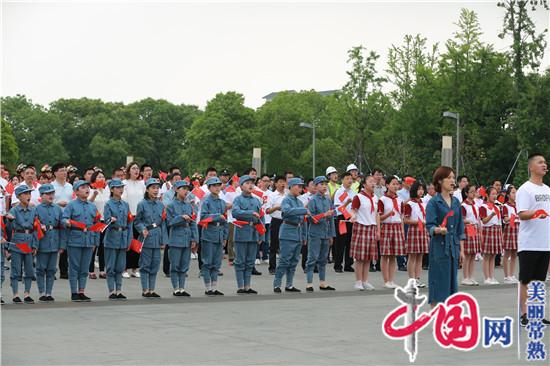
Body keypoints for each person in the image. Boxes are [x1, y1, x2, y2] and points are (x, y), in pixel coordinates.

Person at [516, 153, 550, 326]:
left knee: (539, 280)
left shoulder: (547, 190)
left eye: (545, 162)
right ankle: (524, 313)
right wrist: (537, 213)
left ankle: (537, 312)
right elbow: (522, 214)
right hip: (529, 243)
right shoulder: (525, 189)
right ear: (531, 167)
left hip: (545, 243)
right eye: (540, 162)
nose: (544, 165)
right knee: (526, 280)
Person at [426, 166, 465, 306]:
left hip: (453, 247)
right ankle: (437, 318)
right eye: (449, 178)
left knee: (451, 284)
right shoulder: (433, 202)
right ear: (440, 181)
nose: (452, 180)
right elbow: (429, 225)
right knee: (438, 283)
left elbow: (460, 227)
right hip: (439, 247)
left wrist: (461, 250)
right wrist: (437, 229)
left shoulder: (455, 202)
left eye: (453, 177)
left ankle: (448, 320)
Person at [63, 180, 100, 302]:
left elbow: (96, 225)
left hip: (88, 239)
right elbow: (64, 218)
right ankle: (74, 292)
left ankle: (82, 291)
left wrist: (95, 241)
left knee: (84, 268)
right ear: (76, 192)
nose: (86, 189)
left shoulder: (92, 206)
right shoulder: (71, 205)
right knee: (74, 267)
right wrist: (66, 222)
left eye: (87, 187)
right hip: (75, 239)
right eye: (83, 187)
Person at [134, 178, 168, 298]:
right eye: (153, 188)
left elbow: (163, 223)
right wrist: (142, 228)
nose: (156, 190)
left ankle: (152, 290)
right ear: (147, 189)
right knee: (145, 265)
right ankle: (145, 290)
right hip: (146, 237)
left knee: (155, 265)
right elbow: (137, 221)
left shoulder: (160, 204)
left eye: (157, 188)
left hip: (157, 238)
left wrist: (164, 240)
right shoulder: (142, 204)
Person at [273, 177, 307, 293]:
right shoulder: (286, 200)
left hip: (297, 232)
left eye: (302, 187)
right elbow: (287, 211)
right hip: (287, 232)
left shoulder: (299, 202)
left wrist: (303, 236)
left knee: (294, 261)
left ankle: (289, 284)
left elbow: (302, 221)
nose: (300, 189)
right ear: (291, 187)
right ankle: (277, 284)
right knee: (284, 260)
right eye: (298, 186)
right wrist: (303, 210)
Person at [166, 180, 198, 297]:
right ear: (176, 190)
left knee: (184, 265)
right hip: (175, 238)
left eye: (187, 189)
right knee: (175, 264)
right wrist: (181, 218)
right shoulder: (171, 205)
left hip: (187, 238)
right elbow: (169, 222)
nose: (186, 191)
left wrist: (194, 238)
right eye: (183, 188)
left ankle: (182, 288)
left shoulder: (188, 205)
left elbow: (193, 223)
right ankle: (176, 288)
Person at [6, 185, 37, 304]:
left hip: (29, 241)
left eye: (29, 193)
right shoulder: (13, 210)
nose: (28, 196)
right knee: (16, 269)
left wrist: (35, 245)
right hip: (17, 241)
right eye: (25, 194)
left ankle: (27, 293)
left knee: (29, 269)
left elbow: (36, 228)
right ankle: (15, 294)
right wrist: (9, 220)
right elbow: (9, 229)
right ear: (19, 196)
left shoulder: (33, 210)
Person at [233, 175, 264, 294]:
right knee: (240, 261)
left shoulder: (256, 200)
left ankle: (247, 286)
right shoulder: (238, 199)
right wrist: (250, 212)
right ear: (241, 186)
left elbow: (260, 218)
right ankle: (240, 286)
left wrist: (261, 235)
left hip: (253, 233)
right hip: (242, 232)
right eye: (247, 183)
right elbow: (236, 212)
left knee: (250, 261)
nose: (250, 185)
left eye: (252, 183)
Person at [102, 179, 133, 300]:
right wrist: (110, 220)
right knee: (111, 266)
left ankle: (119, 290)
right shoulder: (108, 204)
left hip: (123, 236)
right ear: (111, 189)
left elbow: (129, 222)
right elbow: (105, 221)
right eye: (117, 187)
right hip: (112, 236)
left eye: (121, 187)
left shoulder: (125, 204)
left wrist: (129, 238)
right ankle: (111, 291)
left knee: (120, 266)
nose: (120, 189)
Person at [305, 176, 336, 292]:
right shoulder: (312, 200)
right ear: (316, 186)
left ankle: (322, 283)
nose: (324, 186)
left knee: (323, 259)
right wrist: (324, 215)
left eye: (325, 184)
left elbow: (332, 218)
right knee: (312, 258)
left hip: (326, 233)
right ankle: (309, 283)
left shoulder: (328, 200)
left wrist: (332, 235)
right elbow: (311, 218)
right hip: (315, 233)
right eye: (321, 184)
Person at [35, 184, 65, 302]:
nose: (51, 196)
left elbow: (62, 228)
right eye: (48, 194)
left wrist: (62, 245)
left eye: (52, 193)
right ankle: (42, 292)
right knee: (41, 268)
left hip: (54, 241)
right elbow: (34, 229)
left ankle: (49, 292)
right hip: (42, 242)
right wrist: (35, 245)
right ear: (41, 195)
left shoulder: (57, 209)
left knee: (52, 269)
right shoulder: (37, 209)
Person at [350, 175, 379, 291]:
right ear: (364, 184)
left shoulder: (375, 198)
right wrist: (353, 216)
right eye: (370, 181)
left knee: (368, 257)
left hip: (372, 227)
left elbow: (377, 214)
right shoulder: (359, 197)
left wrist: (377, 229)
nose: (373, 184)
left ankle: (365, 280)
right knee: (360, 257)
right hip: (361, 226)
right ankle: (358, 281)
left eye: (374, 182)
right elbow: (353, 209)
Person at [199, 177, 227, 296]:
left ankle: (214, 288)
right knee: (207, 262)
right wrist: (217, 216)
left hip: (219, 234)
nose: (217, 187)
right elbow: (203, 218)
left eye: (218, 185)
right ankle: (208, 288)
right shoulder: (206, 201)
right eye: (214, 185)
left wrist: (225, 236)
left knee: (217, 263)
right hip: (209, 234)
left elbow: (225, 220)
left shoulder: (222, 202)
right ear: (209, 188)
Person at [378, 176, 406, 289]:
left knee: (394, 255)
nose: (395, 186)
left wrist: (403, 231)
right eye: (393, 184)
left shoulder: (400, 200)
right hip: (387, 227)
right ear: (387, 185)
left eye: (397, 184)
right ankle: (386, 281)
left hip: (397, 227)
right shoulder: (382, 200)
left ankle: (391, 280)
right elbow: (379, 217)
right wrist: (388, 214)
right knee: (385, 255)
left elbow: (402, 217)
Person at [122, 161, 145, 279]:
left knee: (137, 242)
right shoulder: (124, 183)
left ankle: (135, 268)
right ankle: (124, 268)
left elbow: (145, 198)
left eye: (137, 168)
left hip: (139, 217)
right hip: (128, 216)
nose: (136, 170)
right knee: (128, 242)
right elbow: (123, 199)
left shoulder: (142, 183)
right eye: (133, 168)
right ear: (128, 170)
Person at [403, 181, 429, 288]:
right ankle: (411, 279)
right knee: (412, 256)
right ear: (414, 190)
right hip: (414, 230)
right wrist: (419, 222)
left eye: (422, 189)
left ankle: (417, 278)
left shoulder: (423, 203)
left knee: (420, 256)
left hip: (423, 230)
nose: (421, 191)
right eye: (419, 189)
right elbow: (406, 220)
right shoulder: (410, 204)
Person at [479, 186, 503, 285]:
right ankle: (486, 277)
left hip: (496, 230)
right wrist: (492, 214)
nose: (494, 196)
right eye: (492, 194)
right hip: (488, 230)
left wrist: (500, 234)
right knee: (487, 255)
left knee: (493, 255)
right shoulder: (483, 207)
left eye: (495, 194)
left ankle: (492, 276)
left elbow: (499, 222)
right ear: (487, 195)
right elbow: (484, 221)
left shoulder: (497, 207)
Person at [333, 172, 356, 272]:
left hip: (351, 218)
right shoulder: (339, 192)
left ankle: (348, 264)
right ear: (342, 180)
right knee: (340, 242)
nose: (349, 181)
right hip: (342, 218)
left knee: (350, 242)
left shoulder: (353, 192)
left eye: (350, 179)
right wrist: (347, 203)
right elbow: (338, 207)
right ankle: (338, 265)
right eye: (347, 178)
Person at [88, 170, 109, 279]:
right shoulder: (91, 190)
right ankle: (90, 270)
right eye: (99, 177)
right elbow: (87, 204)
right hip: (95, 221)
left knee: (102, 246)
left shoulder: (106, 190)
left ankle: (102, 270)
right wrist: (94, 195)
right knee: (94, 246)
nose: (101, 179)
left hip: (105, 221)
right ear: (94, 179)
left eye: (103, 177)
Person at [460, 184, 481, 286]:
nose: (474, 193)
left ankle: (471, 276)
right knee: (467, 255)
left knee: (473, 254)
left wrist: (480, 231)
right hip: (467, 228)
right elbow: (461, 219)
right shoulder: (463, 205)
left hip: (475, 228)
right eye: (471, 192)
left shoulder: (475, 205)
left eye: (474, 191)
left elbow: (478, 219)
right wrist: (467, 221)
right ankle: (465, 277)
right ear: (466, 193)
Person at [266, 176, 286, 275]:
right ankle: (272, 267)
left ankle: (284, 266)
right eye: (280, 182)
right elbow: (268, 210)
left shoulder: (288, 195)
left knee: (286, 245)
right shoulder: (272, 195)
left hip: (287, 222)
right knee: (274, 245)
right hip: (276, 221)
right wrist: (277, 207)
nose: (283, 184)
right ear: (276, 184)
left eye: (284, 182)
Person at [501, 185, 518, 284]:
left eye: (515, 192)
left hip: (517, 229)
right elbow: (505, 219)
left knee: (514, 254)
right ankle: (506, 276)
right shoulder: (505, 206)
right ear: (508, 195)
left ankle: (511, 274)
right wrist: (514, 217)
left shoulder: (517, 204)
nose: (515, 195)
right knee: (507, 253)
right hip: (509, 229)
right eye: (513, 193)